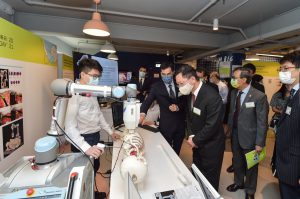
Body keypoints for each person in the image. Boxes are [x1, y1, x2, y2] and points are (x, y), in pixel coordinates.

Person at [65, 58, 120, 174]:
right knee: (84, 172)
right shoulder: (74, 94)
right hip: (82, 138)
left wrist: (111, 132)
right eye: (94, 76)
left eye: (98, 77)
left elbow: (98, 113)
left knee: (95, 167)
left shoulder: (91, 91)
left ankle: (93, 192)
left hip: (95, 135)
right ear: (83, 74)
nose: (97, 80)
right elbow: (69, 127)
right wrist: (86, 147)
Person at [175, 65, 225, 190]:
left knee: (210, 179)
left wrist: (196, 140)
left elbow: (212, 125)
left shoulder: (212, 96)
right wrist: (191, 136)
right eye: (178, 84)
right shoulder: (190, 94)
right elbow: (190, 117)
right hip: (197, 142)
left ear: (192, 79)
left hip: (211, 145)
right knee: (197, 170)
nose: (180, 87)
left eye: (181, 83)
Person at [226, 67, 269, 199]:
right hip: (235, 134)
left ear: (244, 79)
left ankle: (250, 191)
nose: (232, 80)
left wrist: (259, 143)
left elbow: (262, 122)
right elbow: (232, 112)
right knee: (237, 162)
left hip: (250, 138)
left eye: (235, 78)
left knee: (251, 166)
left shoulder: (259, 96)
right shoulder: (234, 93)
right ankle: (239, 183)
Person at [140, 62, 186, 155]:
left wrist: (178, 107)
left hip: (180, 124)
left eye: (168, 74)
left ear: (173, 72)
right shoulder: (156, 87)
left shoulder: (180, 83)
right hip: (166, 125)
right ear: (160, 73)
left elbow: (185, 101)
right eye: (163, 74)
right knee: (166, 151)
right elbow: (147, 102)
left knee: (176, 152)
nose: (166, 76)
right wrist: (142, 114)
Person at [275, 52, 300, 199]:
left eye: (285, 68)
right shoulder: (292, 94)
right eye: (281, 70)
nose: (282, 73)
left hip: (295, 166)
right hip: (287, 162)